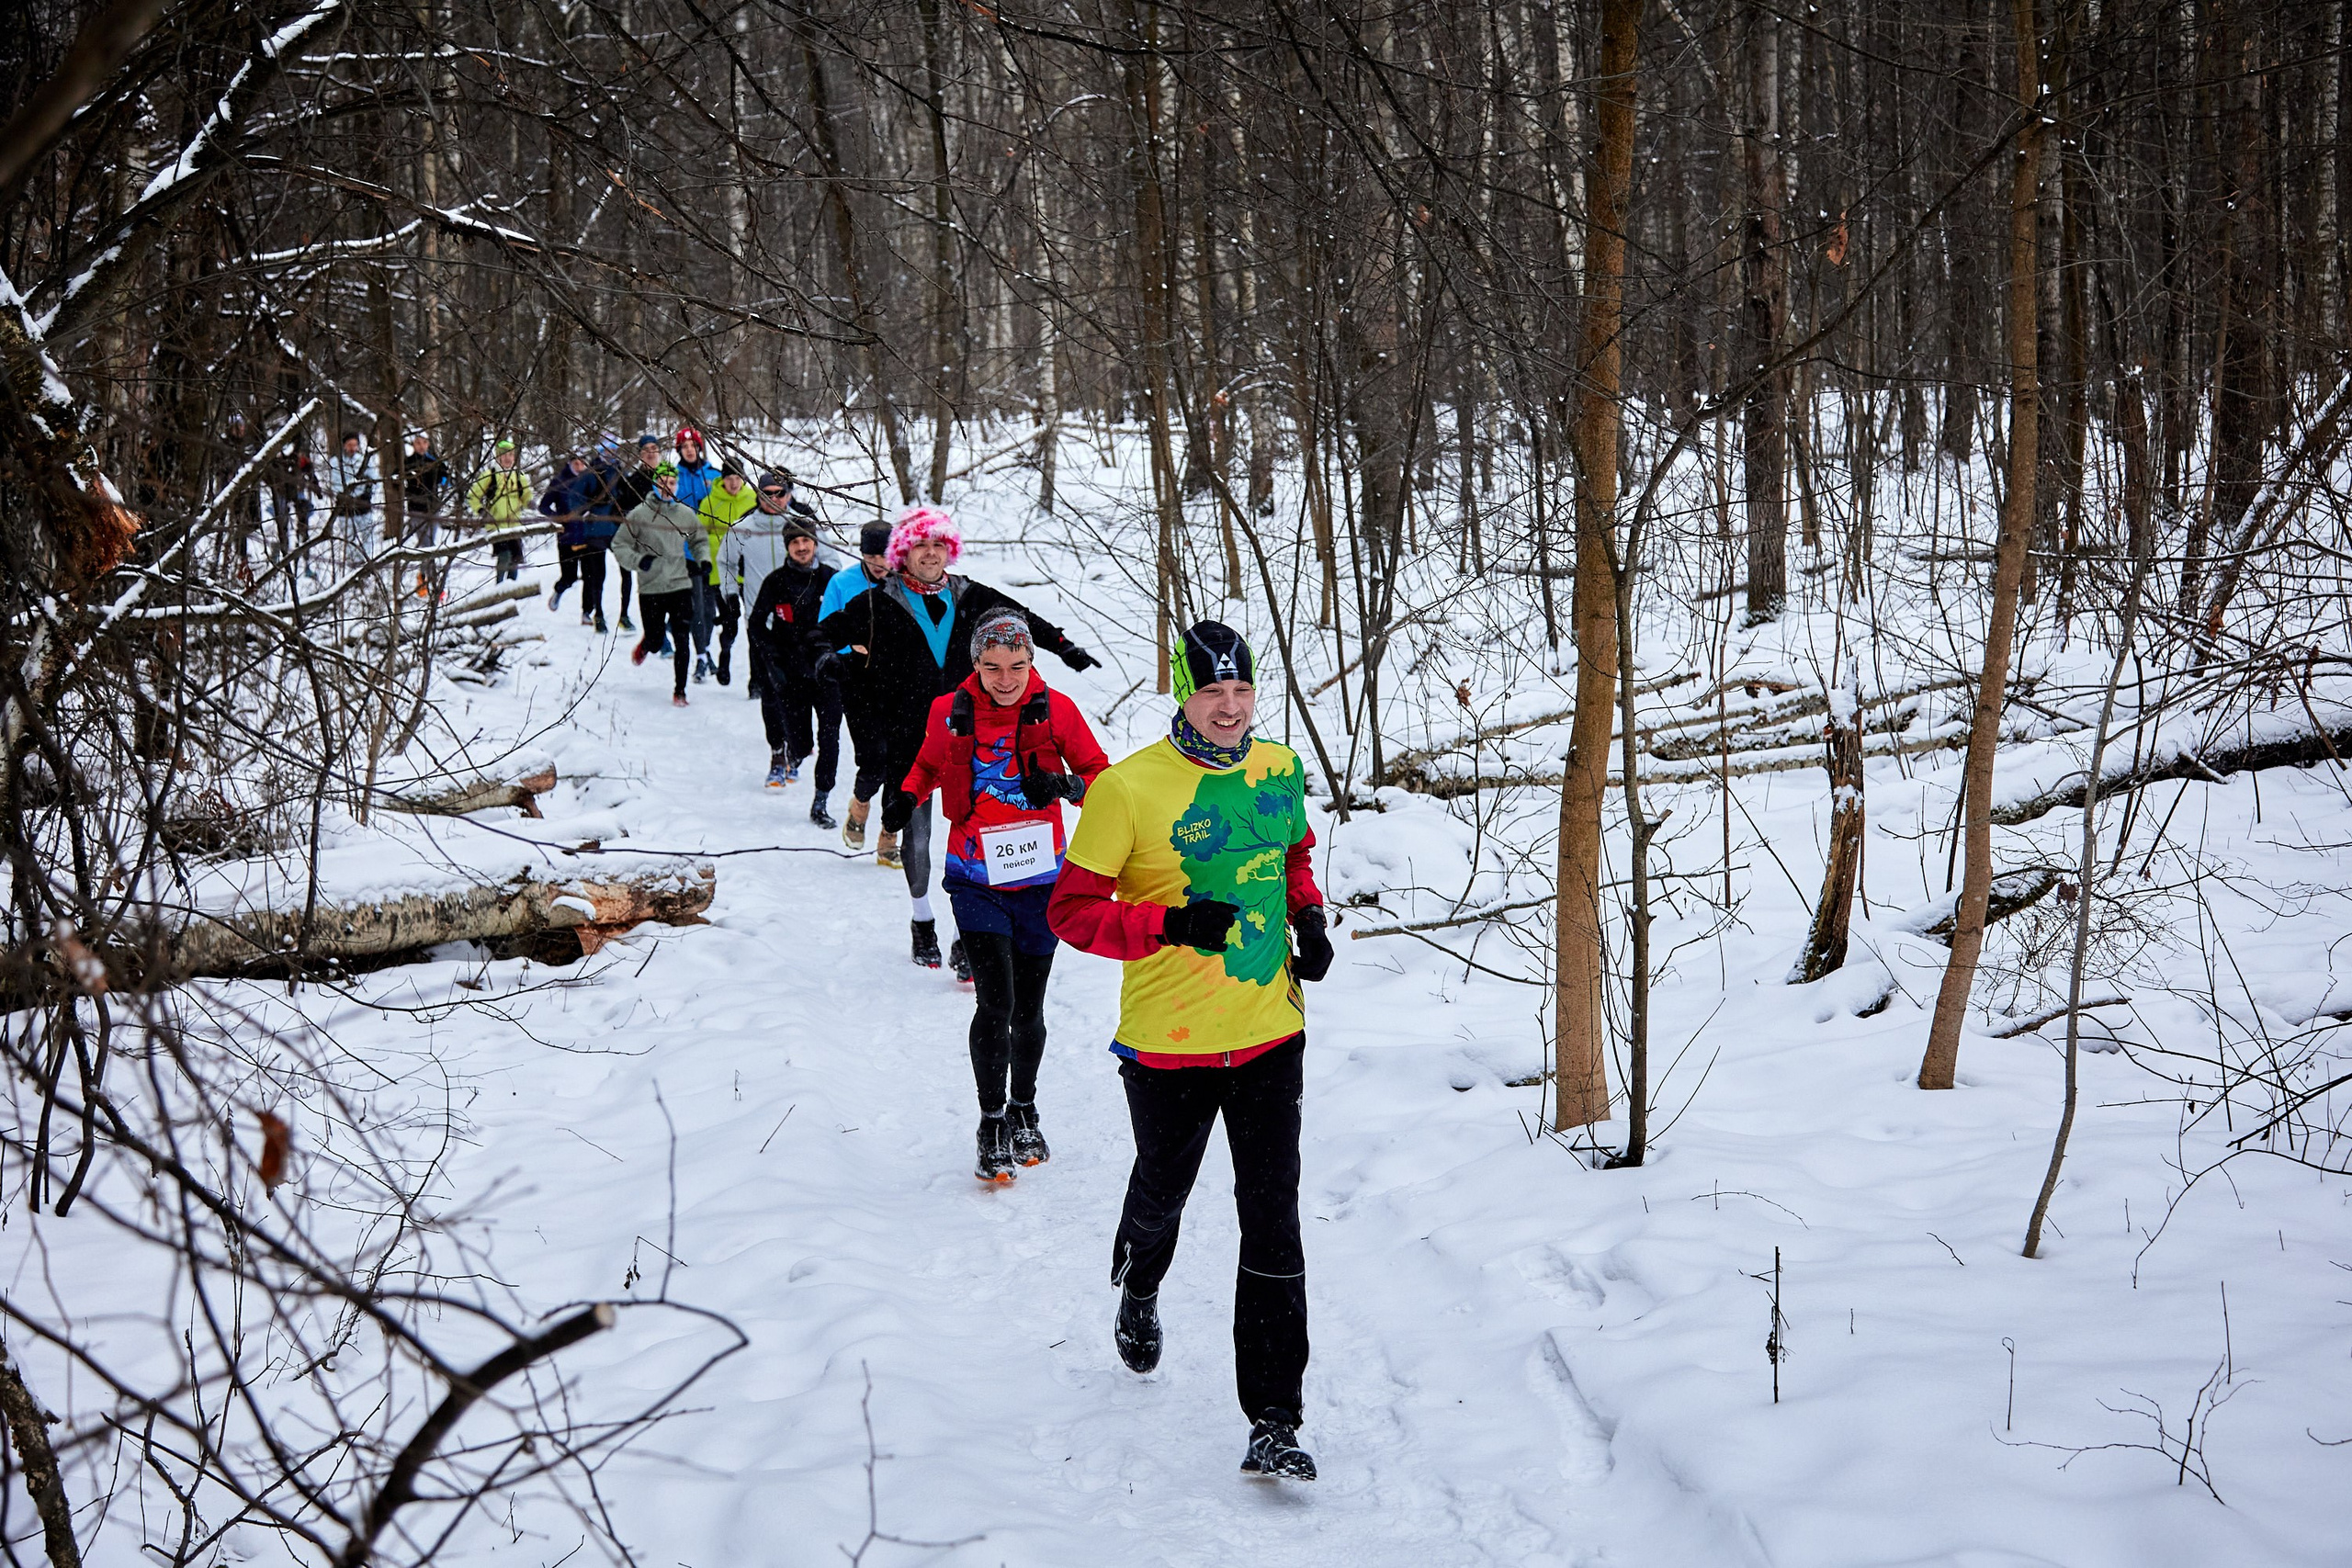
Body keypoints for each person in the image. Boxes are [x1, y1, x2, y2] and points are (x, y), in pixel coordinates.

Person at [1046, 620, 1337, 1484]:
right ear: (1182, 691)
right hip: (1167, 1046)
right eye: (1212, 692)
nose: (1229, 708)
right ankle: (1139, 1285)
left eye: (1241, 692)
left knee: (1272, 1218)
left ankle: (1275, 1419)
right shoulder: (1128, 790)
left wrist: (1309, 915)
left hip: (1268, 1033)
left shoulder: (1278, 768)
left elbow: (1292, 855)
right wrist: (1168, 922)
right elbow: (1070, 911)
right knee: (1162, 1192)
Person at [817, 504, 1100, 969]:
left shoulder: (972, 596)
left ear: (950, 550)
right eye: (920, 546)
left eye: (938, 545)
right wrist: (826, 656)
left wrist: (1065, 647)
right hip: (911, 734)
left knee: (980, 838)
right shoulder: (875, 601)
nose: (930, 554)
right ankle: (922, 918)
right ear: (903, 552)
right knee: (919, 835)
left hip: (978, 731)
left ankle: (965, 936)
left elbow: (1022, 618)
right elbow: (825, 632)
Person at [902, 609, 1109, 1181]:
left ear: (1032, 661)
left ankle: (1025, 1107)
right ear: (975, 664)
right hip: (974, 876)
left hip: (1041, 879)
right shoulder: (950, 709)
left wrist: (1066, 785)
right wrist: (905, 796)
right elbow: (927, 762)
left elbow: (1101, 776)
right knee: (994, 1001)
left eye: (1018, 665)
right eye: (992, 667)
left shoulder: (1057, 709)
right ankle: (991, 1119)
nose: (1006, 679)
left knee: (1029, 1008)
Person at [747, 519, 842, 819]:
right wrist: (772, 661)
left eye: (807, 542)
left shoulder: (832, 580)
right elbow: (756, 626)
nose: (802, 548)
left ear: (815, 543)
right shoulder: (775, 582)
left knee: (830, 739)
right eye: (795, 543)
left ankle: (821, 800)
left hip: (827, 675)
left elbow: (851, 622)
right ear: (787, 547)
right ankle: (792, 754)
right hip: (791, 675)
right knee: (802, 745)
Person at [818, 521, 896, 849]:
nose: (881, 563)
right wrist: (852, 647)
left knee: (901, 762)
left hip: (899, 681)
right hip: (858, 682)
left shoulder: (908, 583)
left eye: (886, 555)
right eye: (872, 556)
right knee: (874, 758)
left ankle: (890, 834)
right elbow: (824, 634)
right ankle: (861, 803)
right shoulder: (842, 582)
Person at [616, 460, 706, 706]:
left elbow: (700, 540)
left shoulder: (685, 514)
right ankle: (648, 643)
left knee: (682, 637)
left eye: (672, 483)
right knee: (656, 642)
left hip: (680, 584)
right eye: (663, 483)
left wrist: (704, 561)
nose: (667, 487)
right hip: (651, 586)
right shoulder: (639, 515)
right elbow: (619, 544)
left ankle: (680, 691)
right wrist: (638, 561)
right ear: (655, 484)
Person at [695, 462, 758, 685]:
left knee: (755, 626)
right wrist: (723, 543)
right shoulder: (710, 501)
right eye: (729, 478)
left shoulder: (753, 499)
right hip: (722, 574)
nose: (734, 483)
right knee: (731, 624)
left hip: (749, 572)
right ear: (722, 479)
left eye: (738, 478)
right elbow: (698, 535)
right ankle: (725, 655)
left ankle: (755, 680)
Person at [540, 450, 604, 623]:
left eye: (583, 463)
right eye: (576, 463)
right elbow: (543, 506)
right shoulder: (559, 482)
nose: (580, 466)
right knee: (569, 577)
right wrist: (558, 519)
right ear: (569, 464)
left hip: (587, 536)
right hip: (566, 537)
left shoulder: (591, 481)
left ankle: (586, 613)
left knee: (589, 577)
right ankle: (559, 591)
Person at [468, 437, 533, 582]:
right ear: (498, 457)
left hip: (515, 525)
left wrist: (531, 502)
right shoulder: (489, 476)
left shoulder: (518, 476)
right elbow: (472, 496)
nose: (507, 458)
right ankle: (500, 586)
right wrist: (482, 512)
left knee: (515, 560)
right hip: (496, 526)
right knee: (504, 556)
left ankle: (512, 589)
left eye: (510, 455)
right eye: (504, 455)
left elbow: (526, 496)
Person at [326, 431, 378, 568]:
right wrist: (349, 491)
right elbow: (336, 484)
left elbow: (374, 478)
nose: (352, 448)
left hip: (363, 505)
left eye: (355, 445)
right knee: (348, 538)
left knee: (367, 534)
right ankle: (353, 564)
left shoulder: (363, 460)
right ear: (344, 446)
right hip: (345, 508)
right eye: (349, 445)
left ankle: (366, 562)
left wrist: (367, 490)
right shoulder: (336, 462)